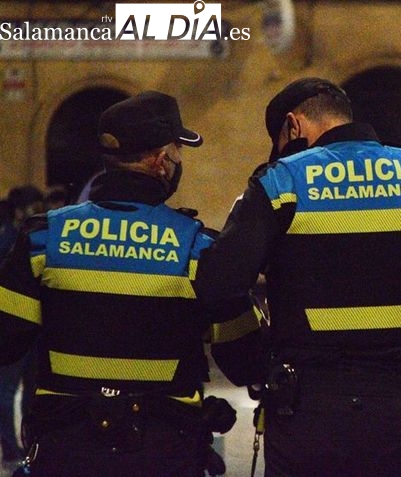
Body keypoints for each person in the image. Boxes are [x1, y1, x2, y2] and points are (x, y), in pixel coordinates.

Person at [194, 77, 401, 476]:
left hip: (309, 415)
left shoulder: (283, 180)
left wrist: (252, 358)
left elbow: (217, 284)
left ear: (293, 127)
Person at [0, 91, 262, 477]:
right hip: (163, 450)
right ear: (160, 161)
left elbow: (6, 341)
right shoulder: (197, 247)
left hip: (64, 450)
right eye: (177, 149)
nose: (179, 160)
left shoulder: (43, 238)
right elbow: (245, 359)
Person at [0, 185, 44, 468]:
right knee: (7, 391)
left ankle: (28, 446)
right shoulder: (11, 239)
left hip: (31, 328)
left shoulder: (28, 237)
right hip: (12, 327)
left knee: (32, 392)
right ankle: (12, 447)